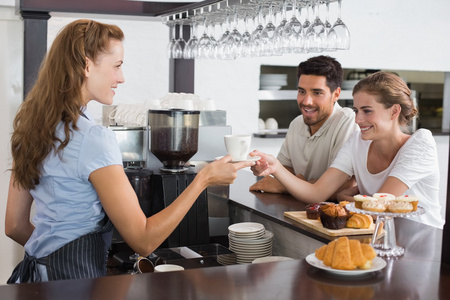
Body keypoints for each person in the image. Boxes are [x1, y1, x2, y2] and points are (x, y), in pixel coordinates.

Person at [4, 19, 255, 283]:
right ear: (86, 65)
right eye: (117, 66)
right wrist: (204, 179)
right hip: (73, 286)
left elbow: (15, 226)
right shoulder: (93, 139)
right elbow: (143, 240)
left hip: (32, 280)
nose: (121, 78)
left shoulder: (32, 127)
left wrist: (50, 258)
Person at [251, 71, 444, 229]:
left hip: (426, 245)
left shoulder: (420, 144)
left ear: (394, 111)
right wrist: (275, 167)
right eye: (356, 110)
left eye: (367, 111)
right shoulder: (357, 142)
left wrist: (345, 197)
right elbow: (316, 193)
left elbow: (378, 208)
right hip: (380, 238)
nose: (358, 119)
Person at [250, 55, 359, 198]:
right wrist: (268, 169)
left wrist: (286, 185)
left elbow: (345, 185)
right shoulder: (296, 123)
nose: (306, 101)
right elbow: (285, 169)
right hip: (297, 210)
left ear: (336, 94)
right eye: (302, 91)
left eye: (317, 93)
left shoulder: (348, 121)